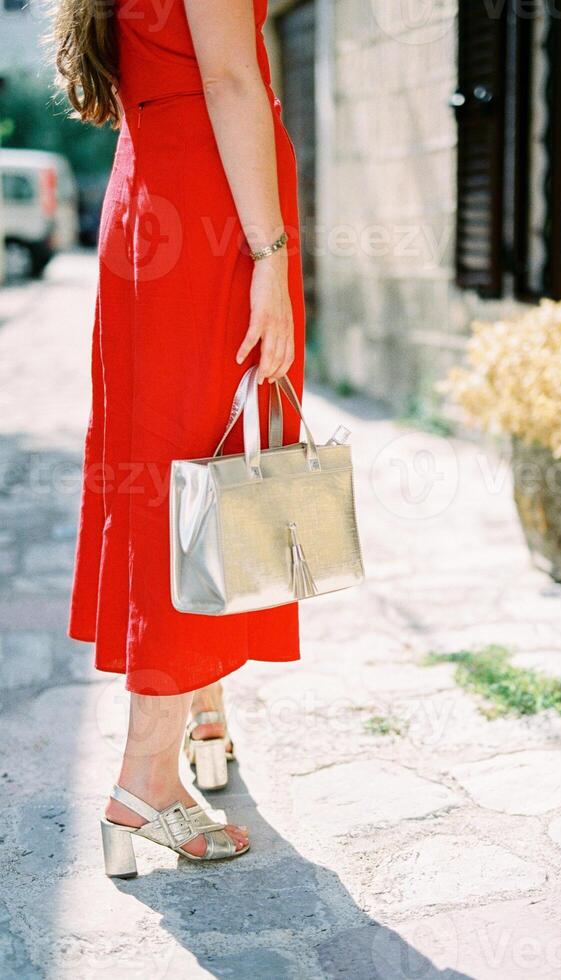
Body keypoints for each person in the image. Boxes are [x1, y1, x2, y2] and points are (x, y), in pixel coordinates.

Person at [54, 0, 305, 875]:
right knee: (189, 480)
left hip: (161, 199)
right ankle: (145, 781)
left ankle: (200, 707)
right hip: (211, 221)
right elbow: (231, 81)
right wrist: (269, 259)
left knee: (180, 466)